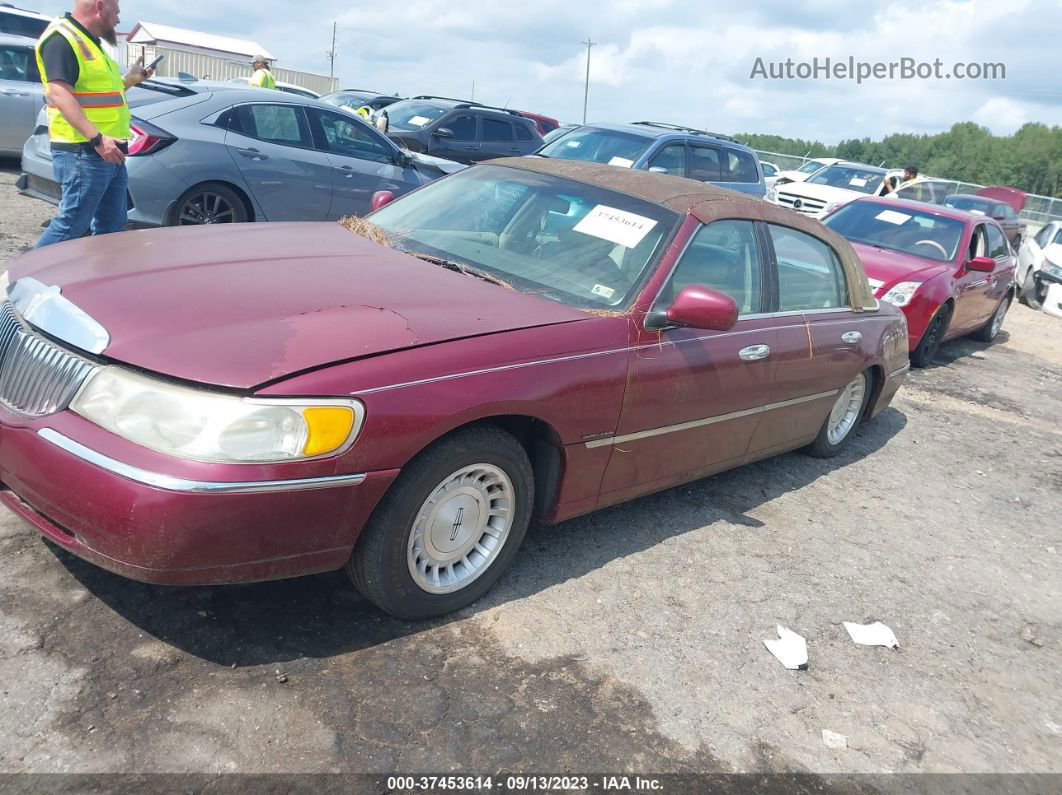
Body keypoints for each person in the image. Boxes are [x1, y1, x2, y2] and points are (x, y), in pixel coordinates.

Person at [34, 0, 153, 248]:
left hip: (110, 152)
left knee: (112, 225)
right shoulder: (62, 39)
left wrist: (131, 79)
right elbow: (58, 93)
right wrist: (97, 139)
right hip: (85, 151)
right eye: (117, 11)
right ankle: (23, 281)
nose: (119, 19)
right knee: (71, 226)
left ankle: (99, 281)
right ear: (100, 6)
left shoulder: (90, 44)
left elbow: (102, 93)